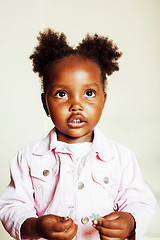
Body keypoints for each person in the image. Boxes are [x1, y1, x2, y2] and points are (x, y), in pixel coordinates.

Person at [0, 29, 156, 240]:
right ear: (45, 103)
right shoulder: (27, 158)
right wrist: (35, 226)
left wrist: (130, 221)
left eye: (89, 93)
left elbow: (140, 201)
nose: (76, 105)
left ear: (104, 100)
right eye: (62, 94)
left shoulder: (121, 158)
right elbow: (11, 205)